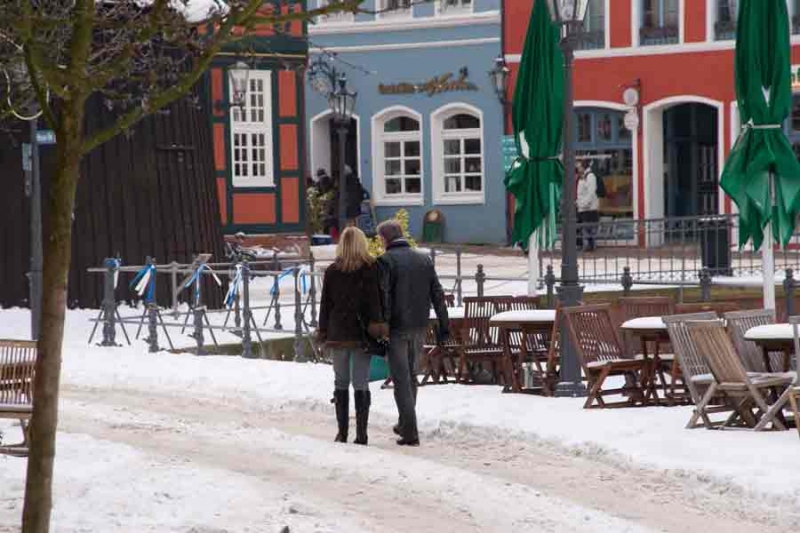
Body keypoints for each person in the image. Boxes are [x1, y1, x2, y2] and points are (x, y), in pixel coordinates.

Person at [377, 220, 449, 447]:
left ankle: (410, 432)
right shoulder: (424, 259)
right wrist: (444, 325)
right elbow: (437, 294)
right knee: (411, 376)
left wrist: (382, 326)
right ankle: (404, 422)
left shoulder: (385, 261)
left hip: (396, 328)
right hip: (419, 325)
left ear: (385, 239)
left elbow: (383, 297)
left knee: (401, 379)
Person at [317, 227, 387, 446]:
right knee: (360, 382)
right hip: (362, 333)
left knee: (340, 381)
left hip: (338, 333)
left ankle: (342, 432)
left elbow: (325, 305)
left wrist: (323, 331)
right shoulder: (370, 268)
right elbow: (376, 301)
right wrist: (379, 326)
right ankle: (362, 434)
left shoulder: (332, 271)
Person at [577, 160, 600, 252]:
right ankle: (587, 246)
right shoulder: (583, 176)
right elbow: (582, 193)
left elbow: (591, 193)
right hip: (584, 208)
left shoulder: (590, 176)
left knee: (588, 229)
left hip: (589, 209)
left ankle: (589, 247)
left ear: (583, 167)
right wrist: (578, 202)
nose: (578, 168)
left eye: (579, 166)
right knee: (585, 229)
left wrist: (582, 204)